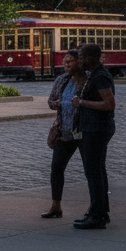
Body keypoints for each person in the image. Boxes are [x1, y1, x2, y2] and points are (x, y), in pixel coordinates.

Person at [72, 43, 116, 229]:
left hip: (97, 129)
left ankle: (97, 216)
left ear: (91, 57)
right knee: (97, 170)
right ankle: (100, 211)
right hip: (92, 127)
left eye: (82, 57)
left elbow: (109, 104)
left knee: (93, 172)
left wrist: (81, 102)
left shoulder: (100, 77)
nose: (79, 60)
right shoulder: (93, 74)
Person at [41, 50, 87, 218]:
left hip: (83, 131)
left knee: (91, 169)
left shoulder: (87, 80)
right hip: (64, 131)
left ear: (79, 62)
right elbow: (50, 101)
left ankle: (96, 208)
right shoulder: (61, 80)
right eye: (65, 62)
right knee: (56, 167)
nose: (67, 64)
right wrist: (57, 104)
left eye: (71, 61)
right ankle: (56, 206)